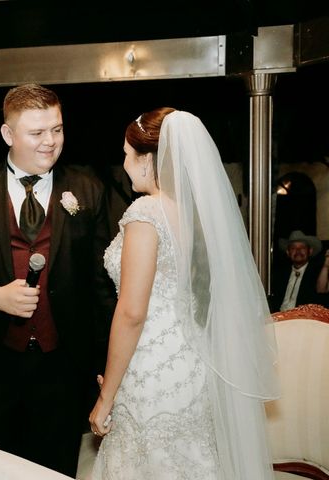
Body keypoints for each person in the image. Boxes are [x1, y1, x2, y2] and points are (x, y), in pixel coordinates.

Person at [0, 83, 115, 476]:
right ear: (7, 134)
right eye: (37, 132)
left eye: (57, 129)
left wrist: (106, 364)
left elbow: (102, 286)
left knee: (56, 470)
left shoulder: (88, 189)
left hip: (64, 367)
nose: (51, 142)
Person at [89, 108, 279, 479]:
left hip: (151, 370)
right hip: (193, 364)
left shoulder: (145, 213)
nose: (124, 164)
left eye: (128, 155)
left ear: (149, 159)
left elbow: (131, 312)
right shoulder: (196, 216)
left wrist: (106, 396)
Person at [270, 230, 323, 312]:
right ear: (288, 252)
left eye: (302, 248)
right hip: (278, 319)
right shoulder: (280, 274)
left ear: (310, 251)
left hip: (303, 321)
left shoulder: (317, 274)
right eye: (293, 248)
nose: (298, 251)